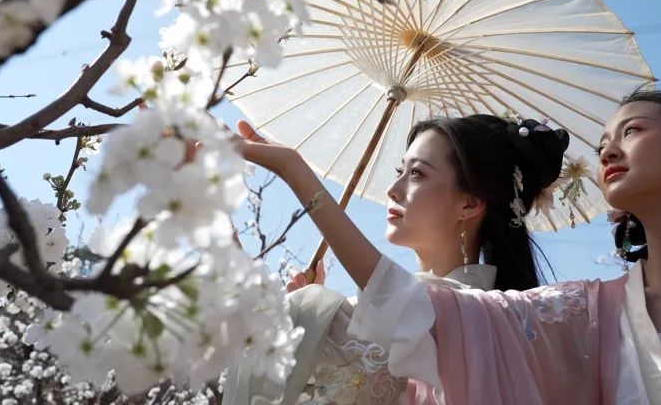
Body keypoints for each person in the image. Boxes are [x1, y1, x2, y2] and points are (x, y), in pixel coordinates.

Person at [232, 82, 661, 403]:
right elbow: (429, 313)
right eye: (602, 140)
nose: (609, 148)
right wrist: (297, 174)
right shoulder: (581, 318)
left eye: (633, 130)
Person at [223, 114, 572, 404]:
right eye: (400, 170)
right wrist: (310, 317)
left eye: (418, 173)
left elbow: (403, 297)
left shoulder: (474, 317)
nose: (394, 189)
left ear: (469, 203)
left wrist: (292, 168)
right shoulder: (383, 308)